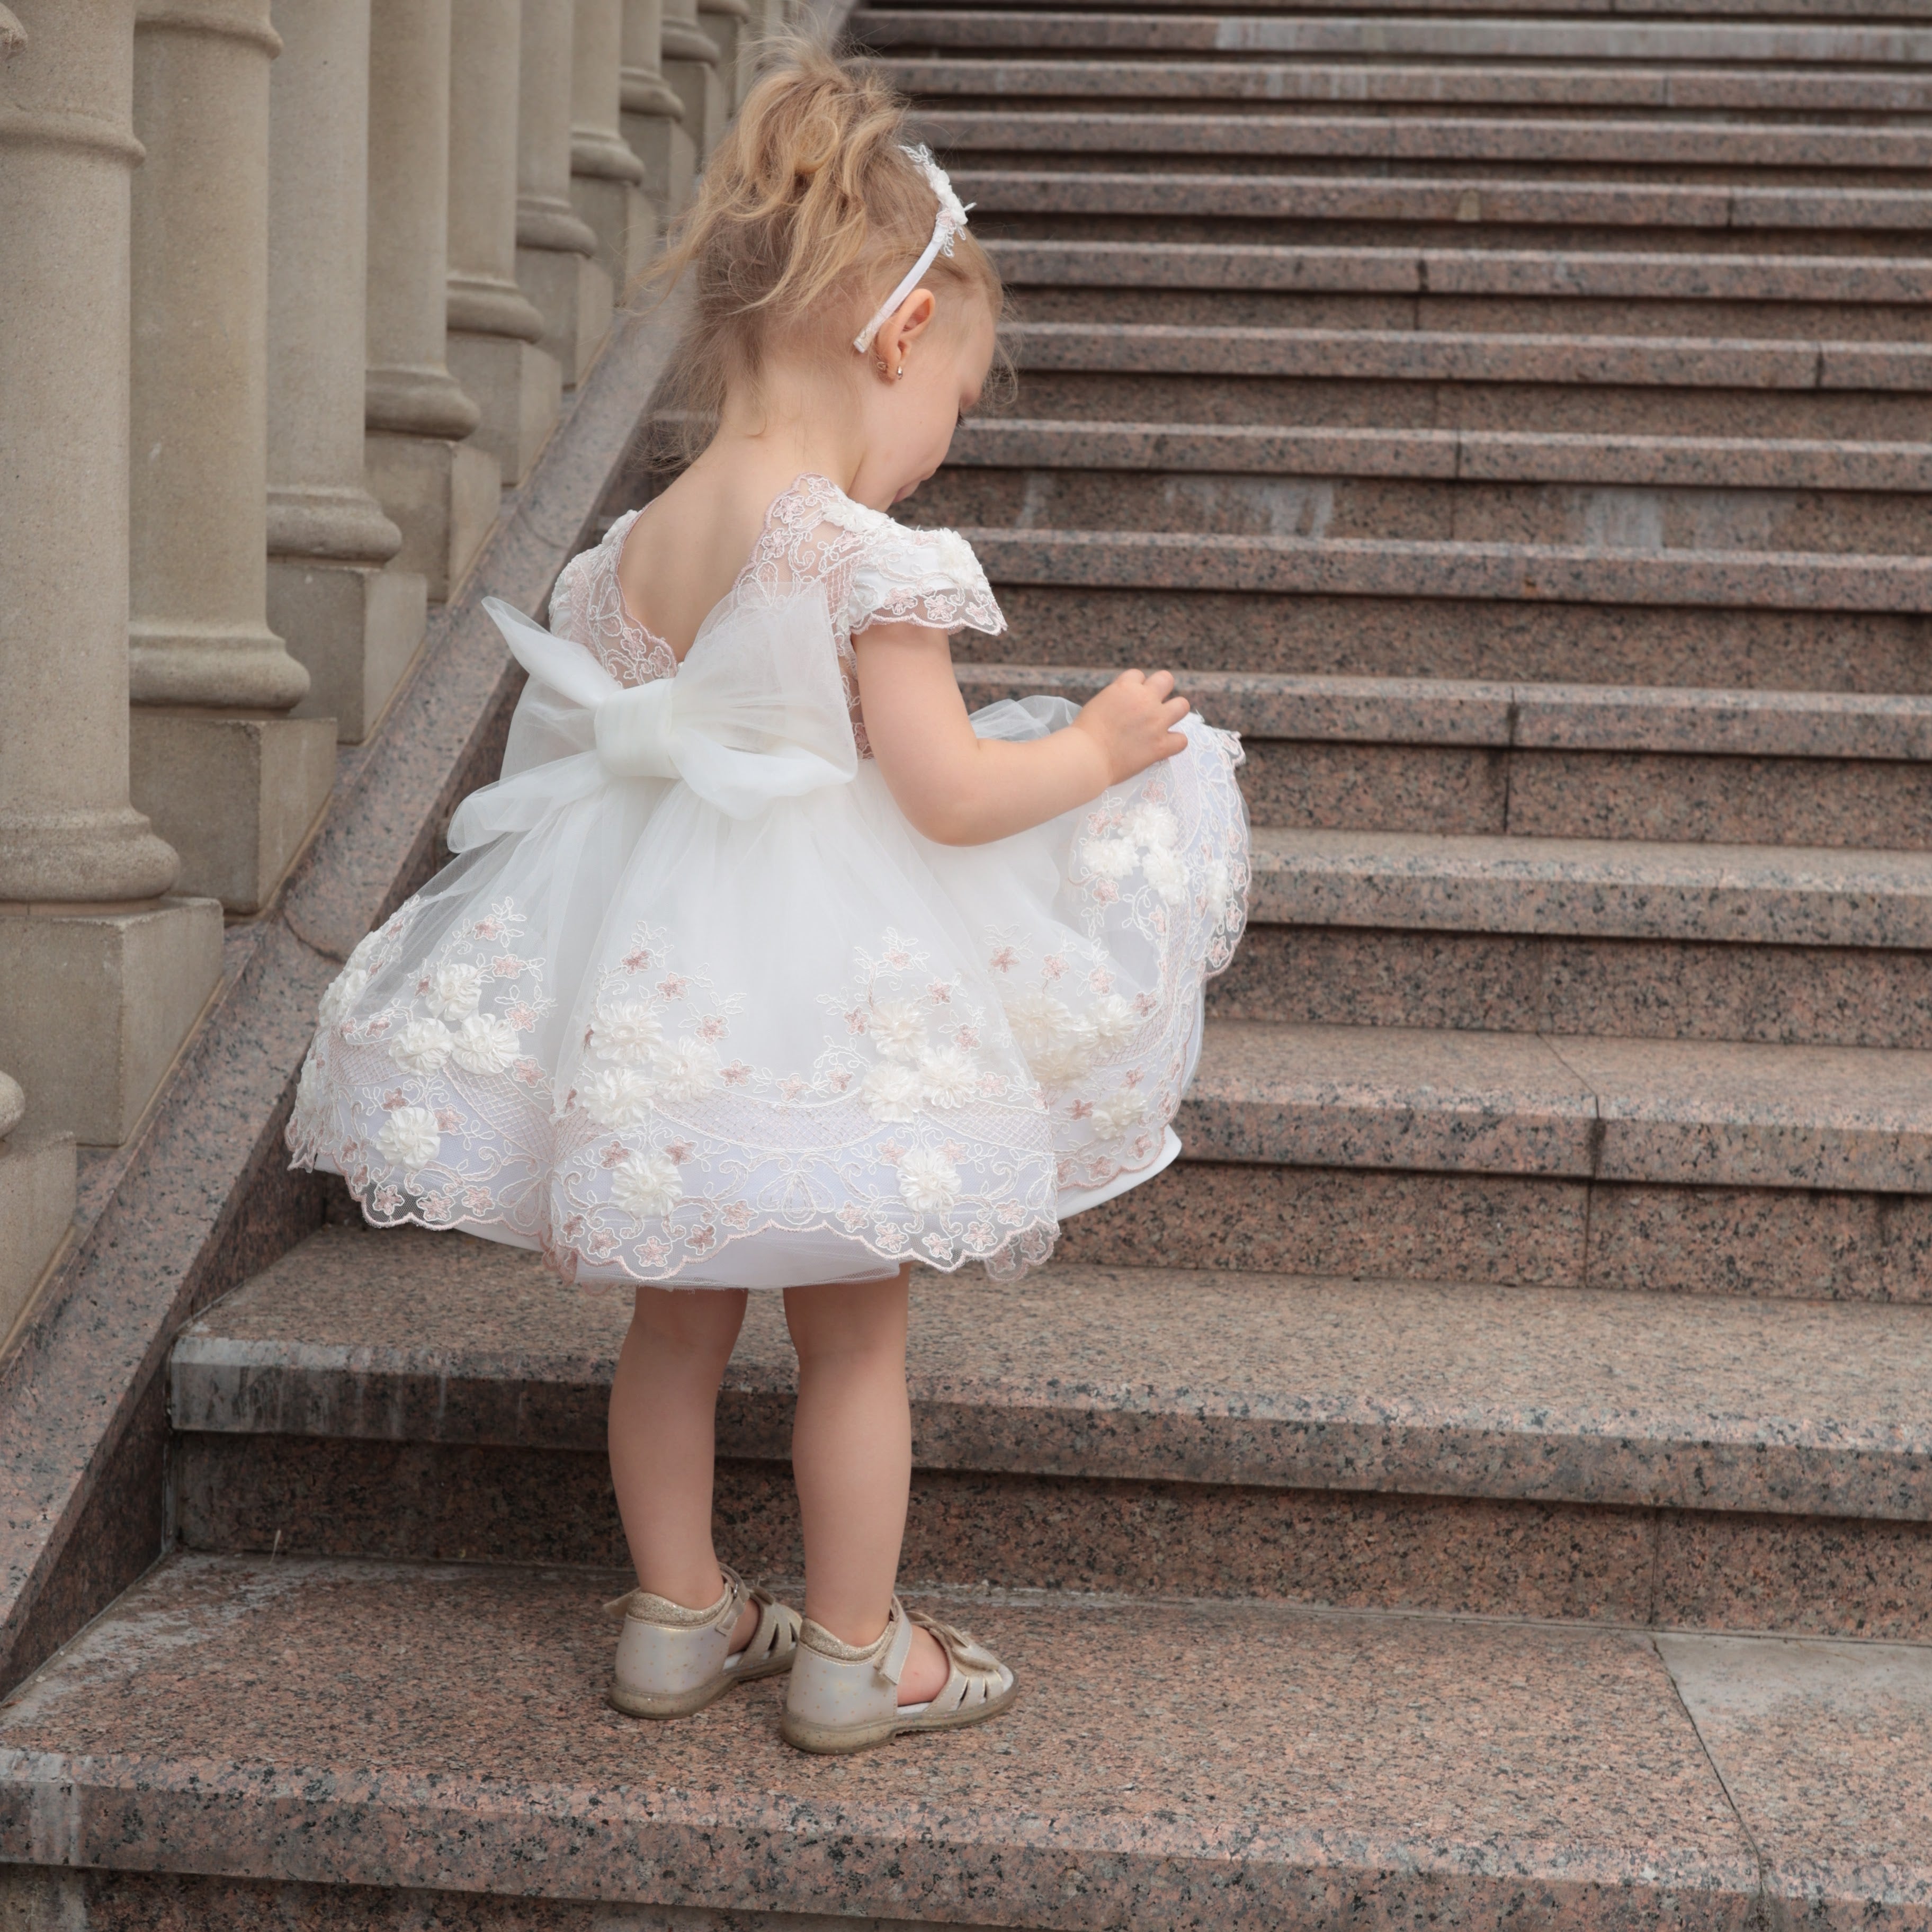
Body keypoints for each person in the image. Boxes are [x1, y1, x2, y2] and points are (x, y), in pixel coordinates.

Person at [288, 42, 1249, 1756]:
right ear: (899, 340)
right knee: (855, 1339)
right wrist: (1103, 751)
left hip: (661, 996)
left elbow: (620, 742)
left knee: (676, 1320)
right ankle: (856, 1651)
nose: (939, 447)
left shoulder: (627, 547)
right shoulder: (855, 552)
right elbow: (948, 795)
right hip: (826, 986)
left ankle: (676, 1616)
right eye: (952, 403)